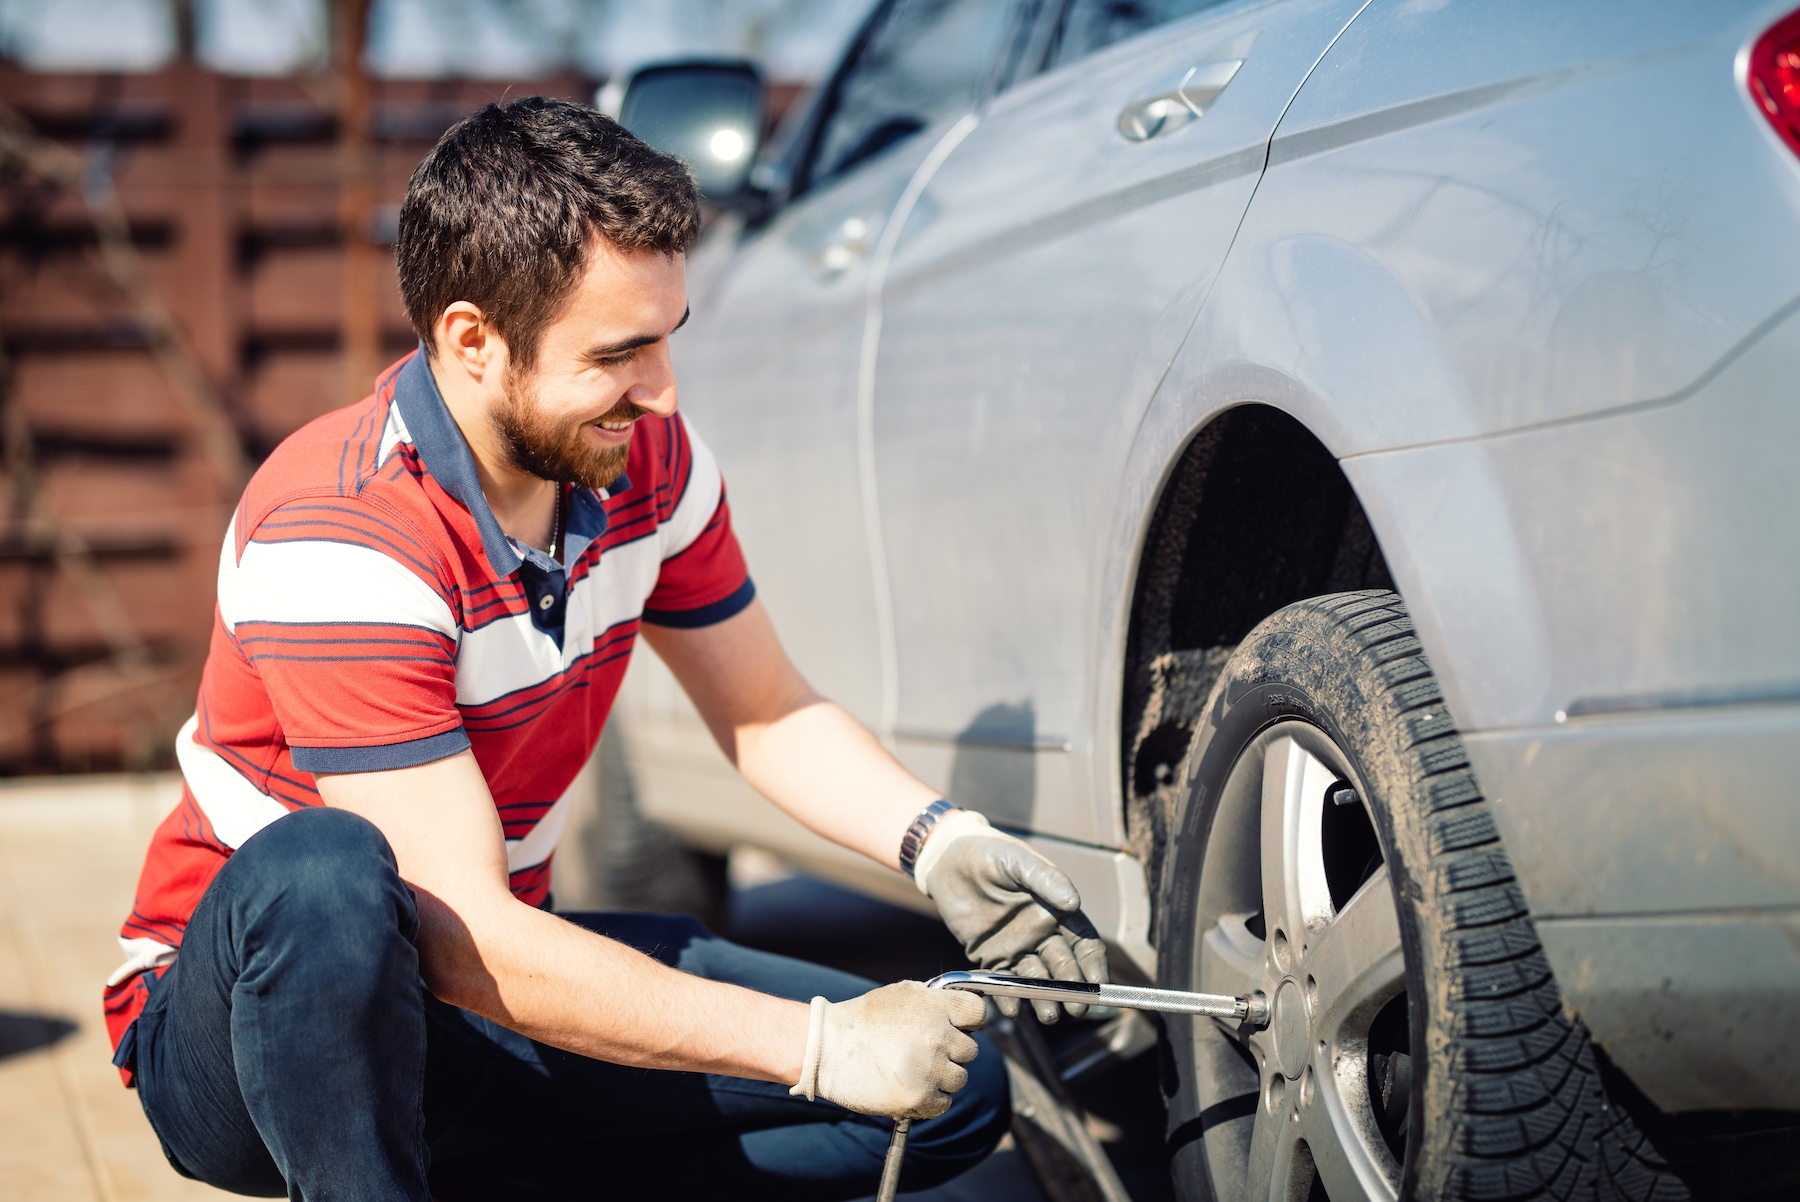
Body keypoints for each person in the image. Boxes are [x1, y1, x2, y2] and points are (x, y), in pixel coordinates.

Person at [102, 96, 1109, 1201]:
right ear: (473, 341)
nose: (663, 391)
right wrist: (815, 1043)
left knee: (951, 1097)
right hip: (254, 1035)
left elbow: (765, 708)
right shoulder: (341, 533)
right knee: (327, 876)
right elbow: (457, 928)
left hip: (482, 991)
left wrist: (938, 841)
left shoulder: (649, 463)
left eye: (668, 338)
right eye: (620, 353)